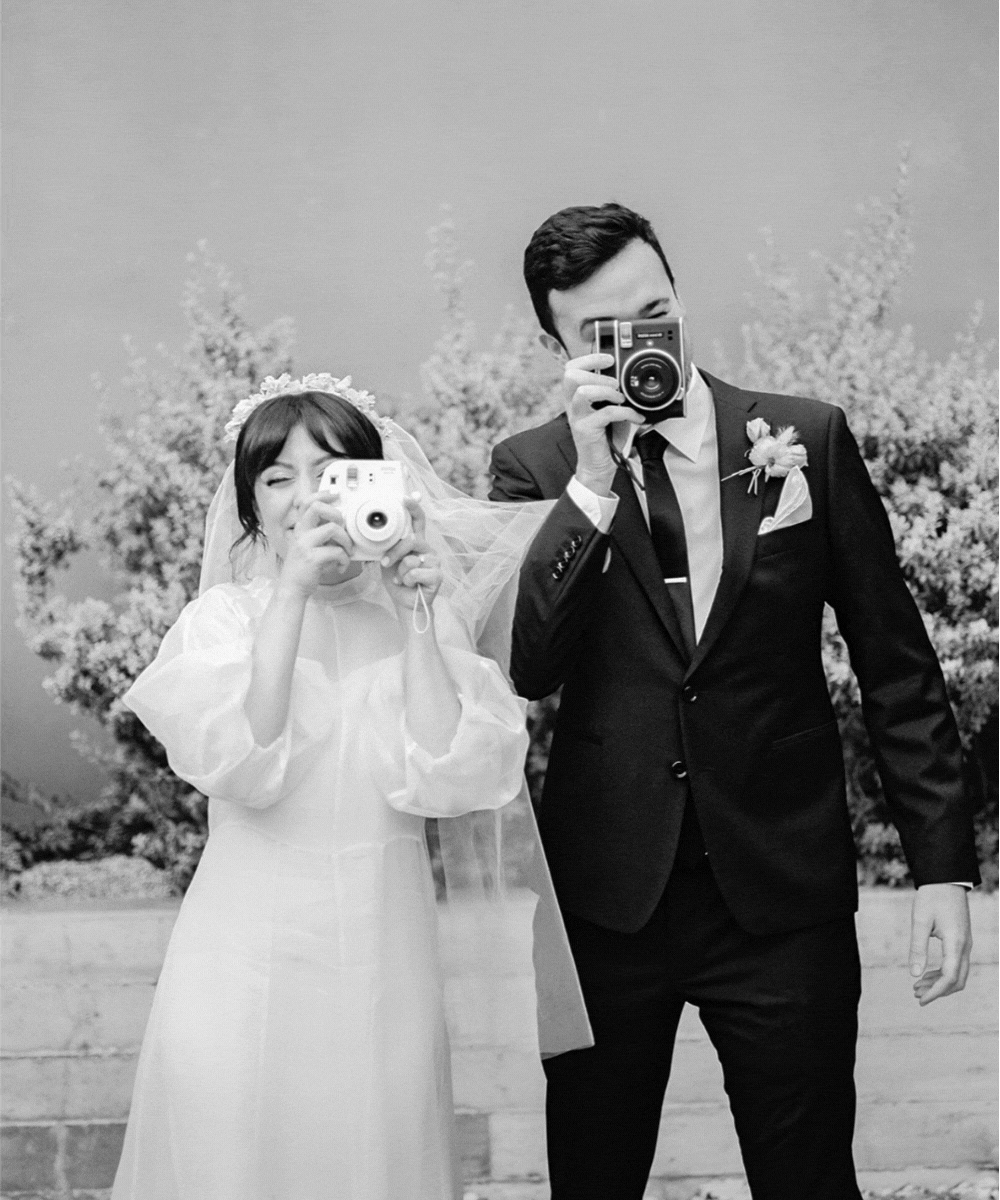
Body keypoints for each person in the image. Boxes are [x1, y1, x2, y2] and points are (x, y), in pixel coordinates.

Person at [488, 203, 980, 1200]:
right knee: (593, 1177)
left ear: (678, 292)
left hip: (779, 892)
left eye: (655, 309)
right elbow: (527, 665)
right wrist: (590, 485)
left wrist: (940, 872)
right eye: (603, 333)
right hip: (605, 904)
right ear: (560, 347)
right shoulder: (533, 468)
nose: (643, 344)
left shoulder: (805, 438)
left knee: (807, 1178)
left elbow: (896, 668)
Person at [111, 375, 588, 1200]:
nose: (308, 496)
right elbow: (245, 762)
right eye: (278, 477)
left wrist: (418, 617)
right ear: (250, 504)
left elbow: (449, 774)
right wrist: (291, 591)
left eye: (333, 470)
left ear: (377, 484)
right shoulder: (221, 620)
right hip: (244, 950)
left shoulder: (418, 612)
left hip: (381, 951)